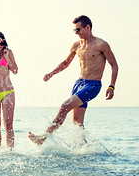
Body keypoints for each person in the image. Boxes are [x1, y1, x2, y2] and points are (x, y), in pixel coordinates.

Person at [29, 15, 118, 145]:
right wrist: (51, 73)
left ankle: (42, 137)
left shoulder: (101, 45)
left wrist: (111, 86)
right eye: (74, 30)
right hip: (79, 84)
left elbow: (114, 65)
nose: (76, 33)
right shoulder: (76, 46)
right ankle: (85, 150)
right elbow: (65, 63)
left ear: (88, 27)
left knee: (65, 106)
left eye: (78, 29)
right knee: (77, 123)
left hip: (93, 85)